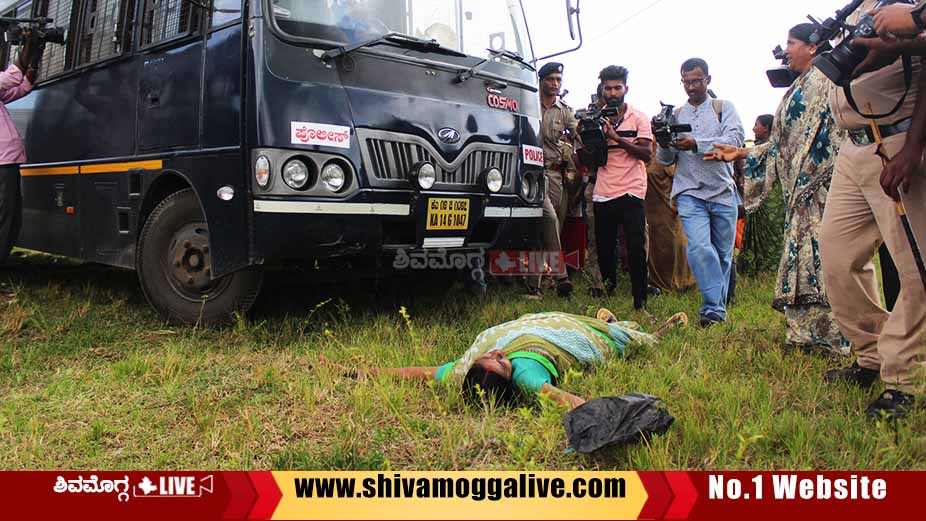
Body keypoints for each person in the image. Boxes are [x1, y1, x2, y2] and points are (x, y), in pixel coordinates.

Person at [705, 24, 849, 356]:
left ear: (813, 47)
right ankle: (803, 335)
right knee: (801, 262)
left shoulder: (828, 80)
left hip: (826, 188)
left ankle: (834, 337)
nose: (786, 51)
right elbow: (782, 145)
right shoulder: (800, 86)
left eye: (791, 43)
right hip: (800, 195)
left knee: (829, 261)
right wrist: (740, 153)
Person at [817, 0, 926, 418]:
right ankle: (871, 356)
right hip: (855, 145)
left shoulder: (911, 7)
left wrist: (913, 149)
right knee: (838, 255)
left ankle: (904, 379)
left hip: (897, 143)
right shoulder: (864, 6)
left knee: (914, 266)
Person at [332, 309, 689, 409]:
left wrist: (360, 372)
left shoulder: (462, 372)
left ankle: (606, 321)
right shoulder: (527, 375)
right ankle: (642, 332)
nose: (497, 352)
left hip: (535, 321)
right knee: (623, 339)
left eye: (489, 356)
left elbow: (418, 373)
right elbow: (566, 399)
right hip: (559, 335)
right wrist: (608, 414)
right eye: (500, 361)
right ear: (509, 375)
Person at [657, 58, 745, 327]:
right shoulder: (676, 114)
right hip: (689, 191)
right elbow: (665, 160)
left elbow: (734, 141)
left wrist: (696, 143)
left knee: (722, 255)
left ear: (708, 79)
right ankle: (713, 312)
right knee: (698, 248)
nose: (692, 86)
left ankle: (715, 307)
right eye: (687, 82)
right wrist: (663, 142)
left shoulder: (723, 108)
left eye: (697, 81)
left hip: (722, 191)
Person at [592, 66, 653, 309]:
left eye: (618, 87)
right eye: (608, 88)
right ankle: (609, 295)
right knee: (605, 251)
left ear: (626, 88)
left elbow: (646, 154)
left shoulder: (638, 117)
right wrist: (587, 137)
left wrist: (617, 139)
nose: (613, 92)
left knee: (636, 249)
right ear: (602, 90)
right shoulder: (594, 118)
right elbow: (588, 160)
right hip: (603, 191)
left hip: (632, 190)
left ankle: (640, 302)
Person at [530, 62, 578, 298]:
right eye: (551, 79)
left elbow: (579, 134)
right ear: (541, 80)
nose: (556, 84)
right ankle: (561, 277)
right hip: (529, 173)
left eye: (559, 79)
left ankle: (534, 287)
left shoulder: (564, 111)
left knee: (550, 231)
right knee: (547, 221)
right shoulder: (528, 101)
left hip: (555, 174)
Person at [0, 37, 36, 266]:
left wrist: (33, 58)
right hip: (2, 163)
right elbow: (13, 76)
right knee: (7, 218)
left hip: (7, 162)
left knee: (12, 218)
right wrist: (29, 45)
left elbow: (18, 89)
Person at [646, 141, 696, 292]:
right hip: (651, 210)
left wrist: (678, 203)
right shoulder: (643, 158)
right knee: (656, 247)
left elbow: (679, 179)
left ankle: (679, 282)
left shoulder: (663, 158)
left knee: (672, 245)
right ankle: (657, 281)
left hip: (668, 208)